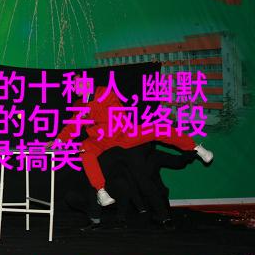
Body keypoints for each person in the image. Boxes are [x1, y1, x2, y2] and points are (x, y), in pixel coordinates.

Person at [52, 85, 213, 207]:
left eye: (77, 83)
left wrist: (89, 123)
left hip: (121, 133)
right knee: (85, 149)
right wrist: (58, 141)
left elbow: (115, 118)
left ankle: (195, 148)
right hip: (100, 140)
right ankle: (101, 191)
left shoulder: (105, 93)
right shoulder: (80, 105)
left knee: (158, 128)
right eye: (72, 85)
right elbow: (72, 126)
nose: (74, 87)